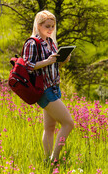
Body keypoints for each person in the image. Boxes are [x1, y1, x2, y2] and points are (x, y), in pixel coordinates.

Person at [22, 10, 74, 163]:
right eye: (47, 26)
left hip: (54, 87)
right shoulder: (32, 42)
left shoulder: (50, 41)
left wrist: (62, 60)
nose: (50, 29)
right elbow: (28, 67)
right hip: (43, 90)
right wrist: (48, 61)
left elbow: (52, 63)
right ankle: (55, 158)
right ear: (38, 25)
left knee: (50, 127)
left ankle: (47, 160)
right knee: (68, 124)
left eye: (52, 26)